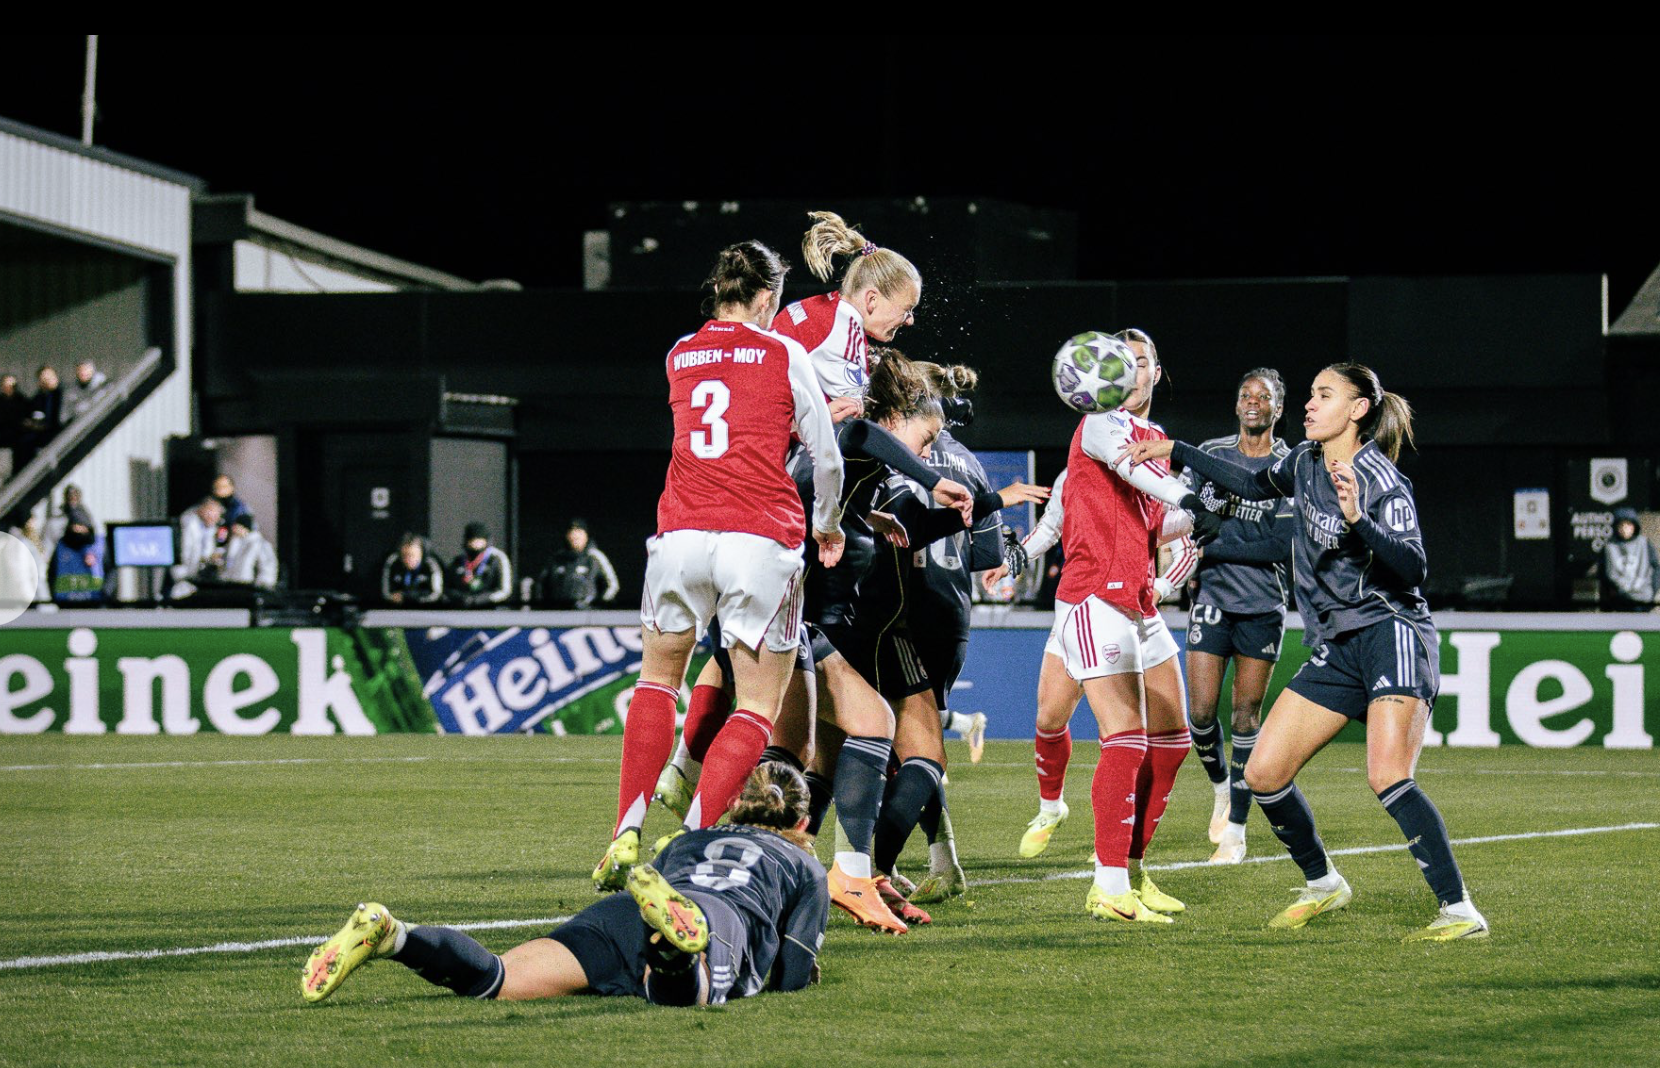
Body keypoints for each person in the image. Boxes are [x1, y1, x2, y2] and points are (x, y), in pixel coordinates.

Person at [1123, 362, 1489, 942]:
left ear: (1358, 410)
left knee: (1388, 776)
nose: (1311, 405)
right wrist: (1178, 450)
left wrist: (1358, 520)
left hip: (1390, 633)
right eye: (1312, 395)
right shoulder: (1304, 461)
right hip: (1338, 645)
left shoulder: (1380, 478)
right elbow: (1249, 485)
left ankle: (1459, 909)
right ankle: (1324, 883)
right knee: (1263, 773)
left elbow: (1414, 567)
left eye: (1325, 395)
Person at [594, 240, 846, 904]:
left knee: (656, 682)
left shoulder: (679, 353)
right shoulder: (783, 352)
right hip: (757, 539)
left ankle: (625, 832)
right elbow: (825, 457)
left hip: (679, 536)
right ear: (765, 297)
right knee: (758, 703)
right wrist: (828, 525)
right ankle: (690, 842)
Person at [303, 762, 829, 1007]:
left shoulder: (690, 840)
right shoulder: (804, 867)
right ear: (802, 823)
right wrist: (804, 972)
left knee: (498, 979)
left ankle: (393, 934)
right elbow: (791, 973)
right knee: (689, 992)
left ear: (736, 806)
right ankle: (670, 952)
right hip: (720, 916)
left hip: (623, 913)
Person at [1019, 329, 1217, 924]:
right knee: (1121, 736)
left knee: (1174, 741)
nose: (1126, 373)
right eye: (1117, 363)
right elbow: (1139, 479)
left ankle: (1130, 869)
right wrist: (1188, 494)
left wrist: (1208, 514)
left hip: (1138, 600)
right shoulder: (1100, 424)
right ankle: (1107, 884)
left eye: (1138, 362)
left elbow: (1156, 523)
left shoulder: (1153, 438)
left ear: (1156, 372)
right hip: (1093, 598)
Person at [1181, 369, 1296, 864]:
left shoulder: (1290, 465)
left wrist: (1215, 545)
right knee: (1201, 714)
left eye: (1263, 397)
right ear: (1236, 405)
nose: (1252, 402)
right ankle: (1220, 787)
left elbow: (1280, 544)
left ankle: (1236, 830)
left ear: (1278, 408)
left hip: (1263, 606)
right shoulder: (1212, 454)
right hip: (1212, 598)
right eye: (1245, 395)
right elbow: (1184, 517)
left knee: (1245, 716)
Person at [538, 518, 620, 608]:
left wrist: (597, 605)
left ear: (586, 535)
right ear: (567, 535)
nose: (575, 536)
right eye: (572, 532)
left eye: (579, 532)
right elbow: (541, 585)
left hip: (587, 614)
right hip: (559, 613)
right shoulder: (556, 558)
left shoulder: (595, 557)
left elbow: (612, 585)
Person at [1600, 507, 1658, 611]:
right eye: (1621, 525)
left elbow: (1656, 569)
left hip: (1644, 600)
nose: (1624, 529)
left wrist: (1652, 592)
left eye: (1628, 525)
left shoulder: (1645, 544)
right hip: (1620, 601)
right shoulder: (1609, 547)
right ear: (1615, 527)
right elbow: (1604, 575)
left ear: (1635, 526)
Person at [448, 523, 513, 606]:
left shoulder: (498, 558)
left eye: (478, 540)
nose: (475, 544)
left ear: (486, 541)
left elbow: (505, 591)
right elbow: (449, 587)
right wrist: (461, 598)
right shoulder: (459, 560)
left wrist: (482, 599)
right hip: (464, 607)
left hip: (492, 607)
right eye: (471, 540)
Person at [171, 497, 225, 598]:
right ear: (201, 510)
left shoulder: (216, 531)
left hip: (205, 581)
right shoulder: (186, 526)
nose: (213, 516)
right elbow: (183, 555)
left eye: (217, 513)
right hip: (184, 577)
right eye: (210, 511)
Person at [15, 366, 64, 469]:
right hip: (40, 435)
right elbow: (30, 415)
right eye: (44, 379)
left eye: (49, 377)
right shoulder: (38, 397)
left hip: (58, 434)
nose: (47, 381)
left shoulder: (63, 394)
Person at [381, 534, 444, 605]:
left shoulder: (430, 564)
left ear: (421, 554)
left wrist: (413, 598)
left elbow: (437, 594)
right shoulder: (392, 562)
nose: (409, 560)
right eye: (404, 556)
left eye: (413, 555)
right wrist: (392, 597)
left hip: (426, 607)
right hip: (396, 607)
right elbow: (386, 593)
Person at [221, 513, 279, 590]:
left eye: (236, 526)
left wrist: (263, 586)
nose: (233, 529)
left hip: (249, 588)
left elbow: (267, 566)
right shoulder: (234, 543)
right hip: (232, 587)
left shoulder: (259, 544)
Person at [0, 373, 27, 480]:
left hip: (20, 445)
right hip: (3, 446)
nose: (9, 388)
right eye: (5, 385)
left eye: (12, 386)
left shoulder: (22, 401)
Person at [65, 359, 108, 423]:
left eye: (85, 369)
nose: (83, 373)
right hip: (80, 424)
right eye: (80, 370)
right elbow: (66, 413)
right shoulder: (72, 390)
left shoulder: (104, 386)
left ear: (92, 371)